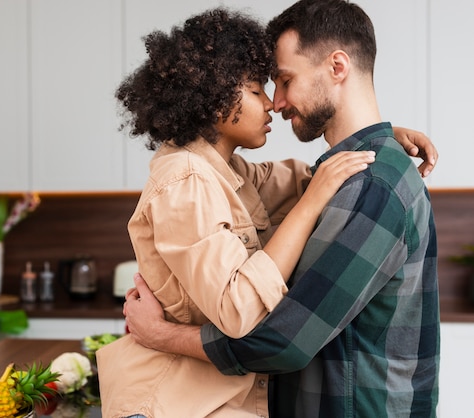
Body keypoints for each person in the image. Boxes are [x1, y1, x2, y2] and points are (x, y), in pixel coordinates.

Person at [122, 1, 440, 417]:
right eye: (262, 89)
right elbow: (304, 181)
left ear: (337, 67)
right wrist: (377, 138)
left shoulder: (371, 184)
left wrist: (161, 334)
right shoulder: (199, 175)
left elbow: (282, 341)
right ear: (215, 100)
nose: (276, 102)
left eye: (284, 80)